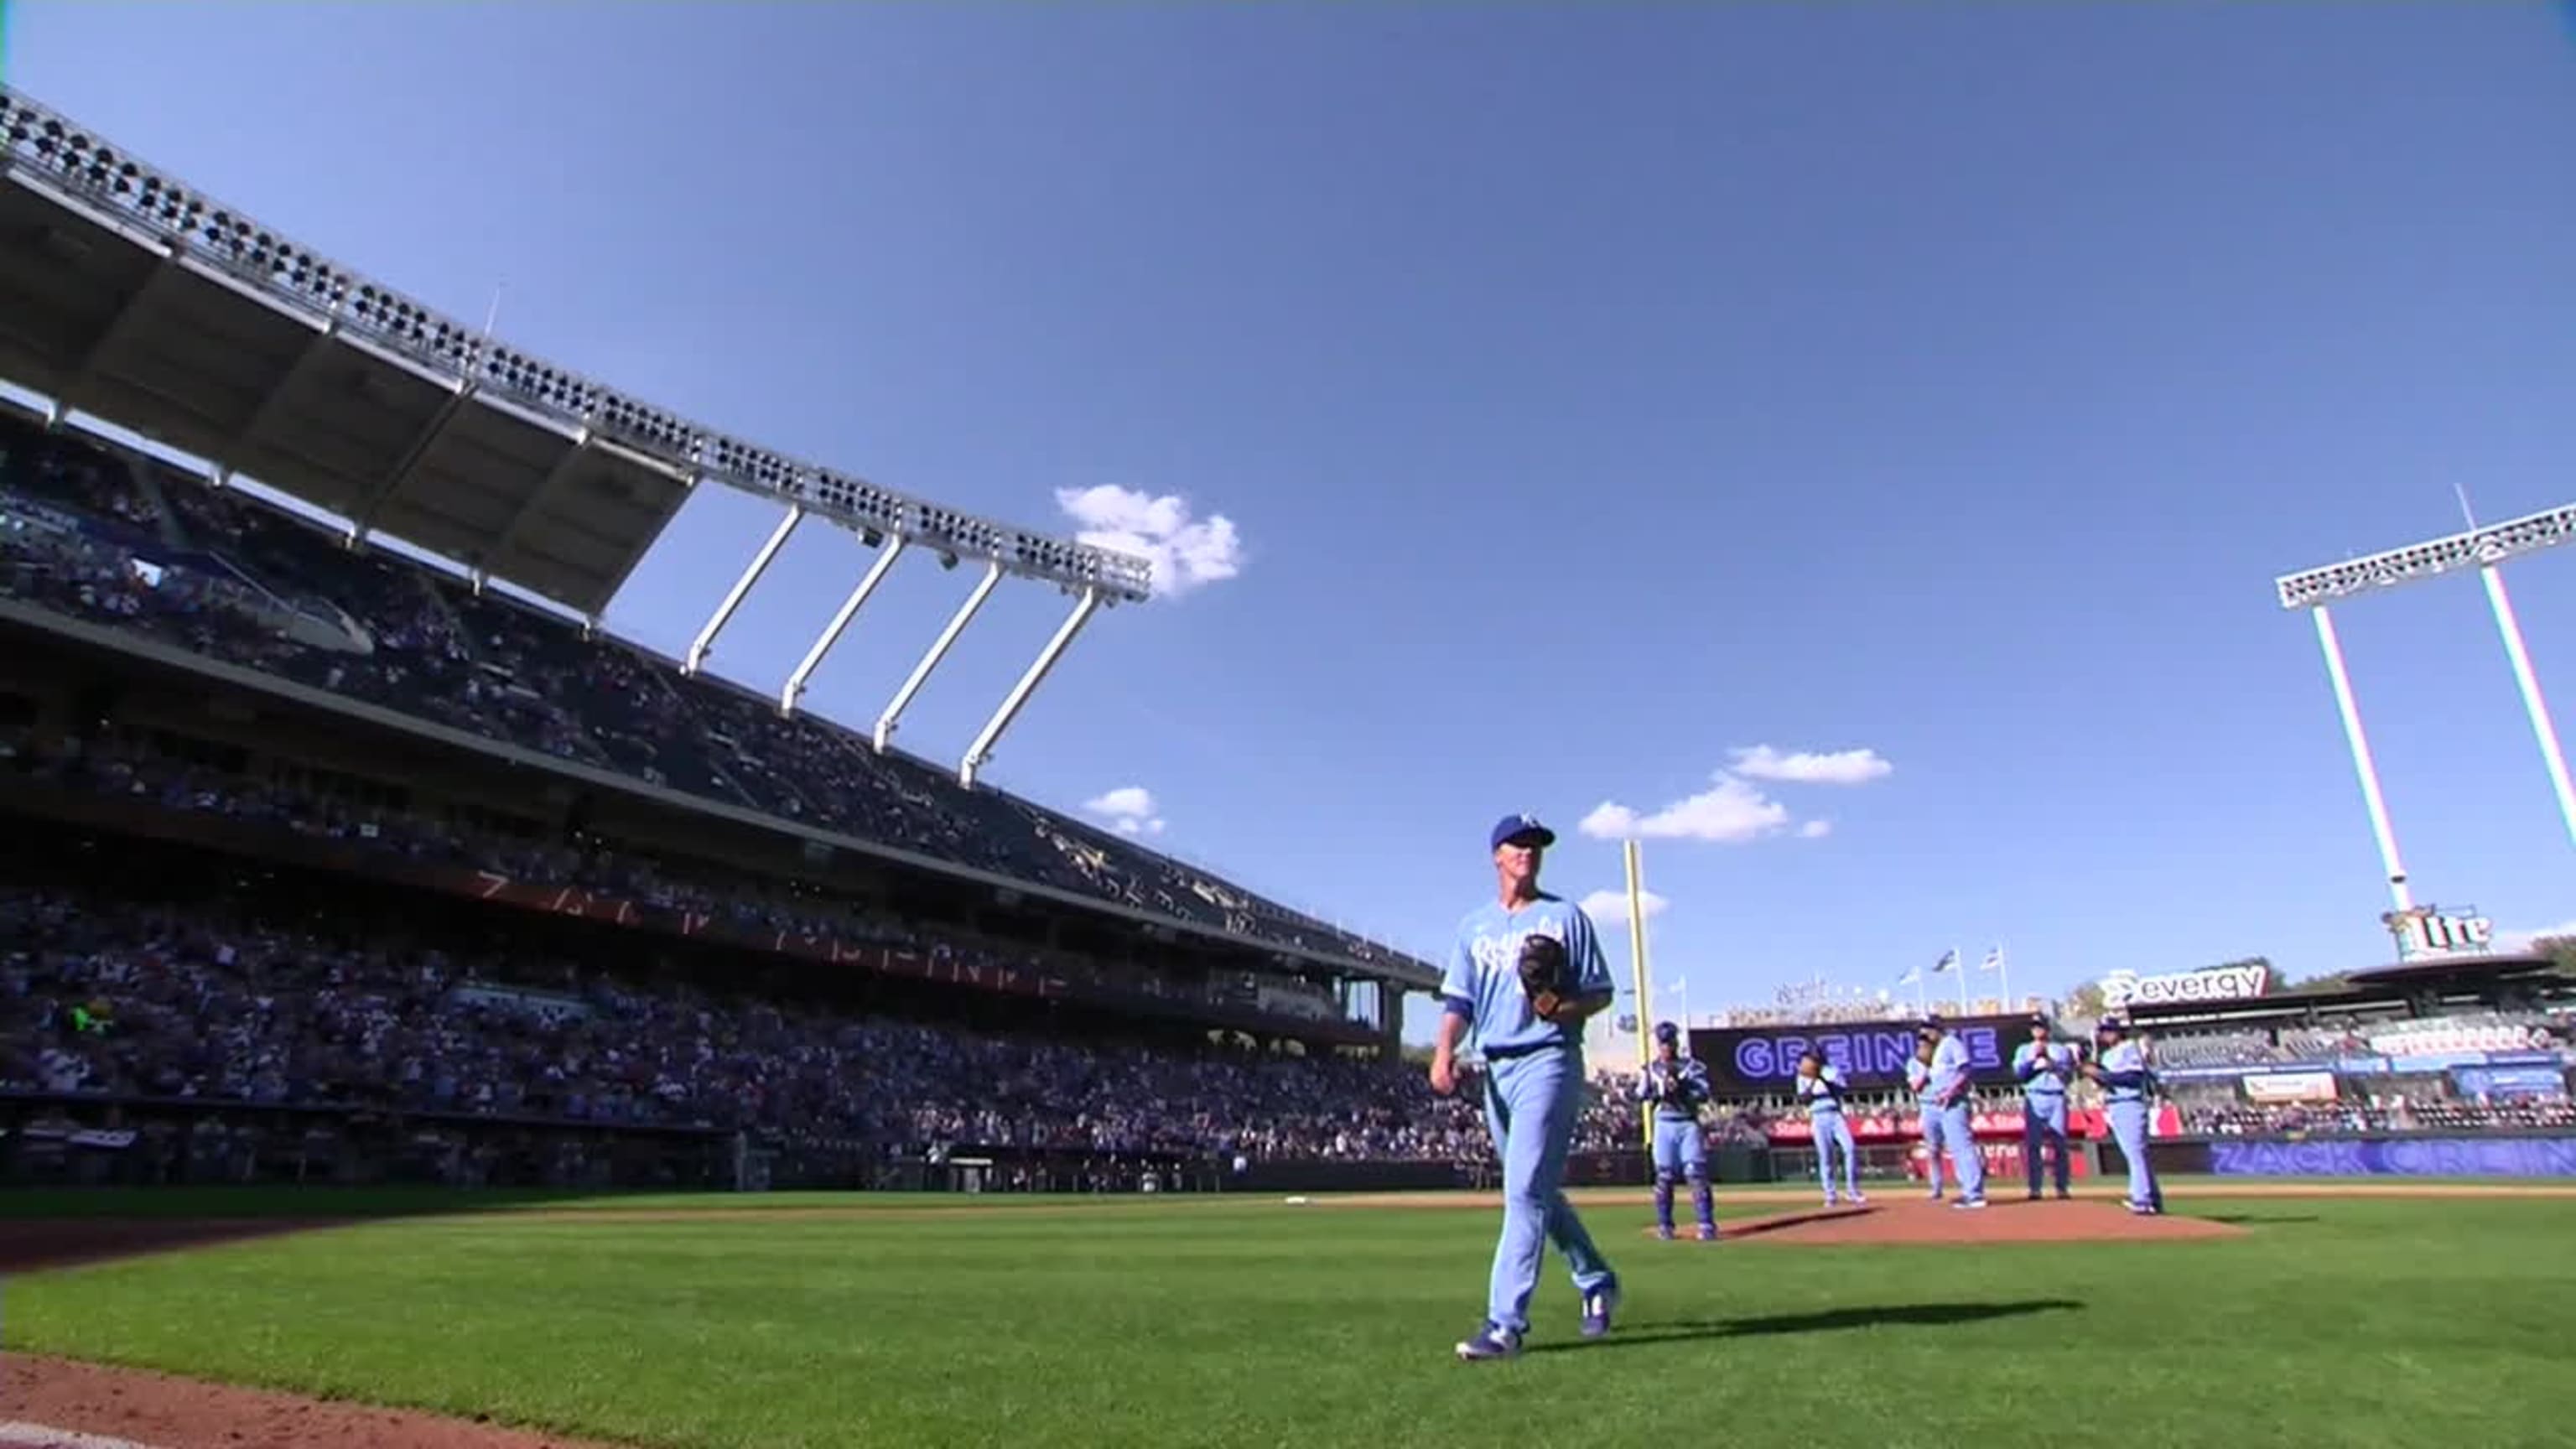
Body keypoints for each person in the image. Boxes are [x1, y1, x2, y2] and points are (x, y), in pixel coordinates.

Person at [1431, 813, 1621, 1361]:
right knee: (1536, 1193)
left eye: (1536, 845)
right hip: (1495, 1069)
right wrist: (1443, 1052)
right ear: (1497, 854)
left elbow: (1601, 991)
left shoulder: (1566, 918)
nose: (1529, 852)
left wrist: (1565, 1007)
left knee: (1522, 1194)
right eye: (1519, 844)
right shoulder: (1474, 927)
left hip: (1550, 1060)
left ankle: (1504, 1324)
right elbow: (1458, 1003)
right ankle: (1596, 1280)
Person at [1635, 1021, 1717, 1240]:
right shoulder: (1651, 1069)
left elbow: (1704, 1093)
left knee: (1696, 1173)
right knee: (1665, 1176)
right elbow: (1640, 1093)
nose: (1666, 1047)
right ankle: (1665, 1225)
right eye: (1663, 1042)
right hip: (1664, 1123)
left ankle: (1706, 1223)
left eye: (1670, 1041)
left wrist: (1684, 1089)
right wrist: (1657, 1092)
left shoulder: (1691, 1067)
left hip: (1687, 1122)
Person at [2084, 1015, 2164, 1215]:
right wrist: (2093, 1074)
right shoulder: (2107, 1055)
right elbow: (2108, 1081)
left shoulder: (2129, 1047)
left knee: (2135, 1153)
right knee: (2137, 1154)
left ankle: (2142, 1199)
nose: (2106, 1034)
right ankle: (2153, 1198)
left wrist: (2102, 1075)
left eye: (2109, 1030)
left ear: (2118, 1031)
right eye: (2103, 1031)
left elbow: (2133, 1077)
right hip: (2115, 1104)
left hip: (2131, 1103)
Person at [1919, 1018, 1987, 1209]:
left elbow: (1965, 1069)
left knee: (1963, 1146)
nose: (1926, 1034)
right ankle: (1968, 1191)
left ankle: (1974, 1194)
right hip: (1941, 1102)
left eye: (1929, 1030)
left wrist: (1951, 1091)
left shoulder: (1952, 1043)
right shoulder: (1936, 1050)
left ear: (1938, 1029)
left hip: (1955, 1101)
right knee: (1956, 1149)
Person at [2012, 1018, 2075, 1200]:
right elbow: (2020, 1074)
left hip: (2056, 1095)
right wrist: (2034, 1060)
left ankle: (2062, 1187)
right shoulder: (2024, 1049)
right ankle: (2035, 1188)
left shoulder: (2060, 1049)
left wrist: (2051, 1063)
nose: (2038, 1031)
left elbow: (2069, 1075)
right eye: (2035, 1028)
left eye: (2041, 1027)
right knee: (2033, 1145)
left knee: (2060, 1144)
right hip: (2035, 1095)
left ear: (2048, 1029)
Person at [1794, 1047, 1865, 1207]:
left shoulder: (1832, 1071)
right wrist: (1813, 1080)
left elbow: (1840, 1091)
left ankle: (1852, 1190)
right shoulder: (1803, 1076)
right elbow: (1804, 1098)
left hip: (1835, 1113)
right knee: (1826, 1157)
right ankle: (1830, 1194)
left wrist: (1822, 1077)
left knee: (1850, 1148)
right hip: (1818, 1116)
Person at [1903, 1034, 1950, 1201]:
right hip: (1928, 1106)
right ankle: (1936, 1187)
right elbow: (1915, 1086)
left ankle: (1968, 1185)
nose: (1924, 1048)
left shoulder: (1941, 1059)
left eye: (1927, 1045)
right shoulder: (1913, 1063)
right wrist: (1927, 1071)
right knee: (1933, 1148)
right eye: (1921, 1045)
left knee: (1957, 1147)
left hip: (1946, 1103)